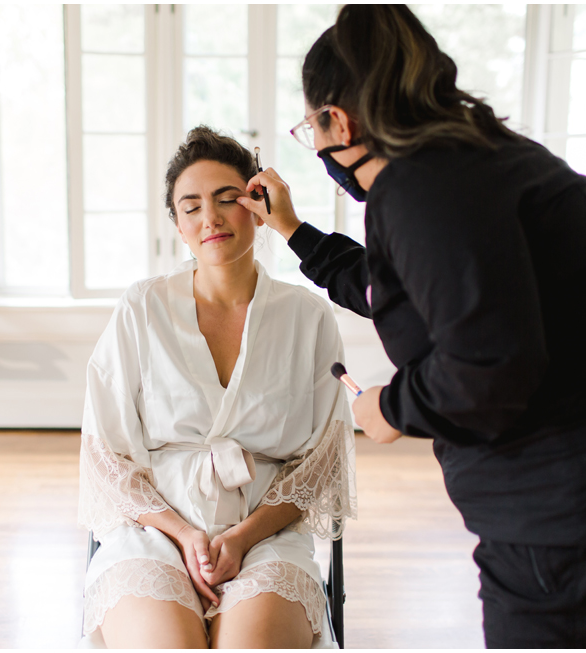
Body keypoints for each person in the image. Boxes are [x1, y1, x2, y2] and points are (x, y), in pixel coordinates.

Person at [235, 5, 586, 649]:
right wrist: (295, 231)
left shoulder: (422, 192)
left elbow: (490, 371)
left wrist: (392, 407)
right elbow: (393, 289)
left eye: (310, 128)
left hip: (583, 520)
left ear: (340, 121)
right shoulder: (482, 159)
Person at [78, 126, 356, 648]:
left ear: (258, 206)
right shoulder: (142, 309)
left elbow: (323, 459)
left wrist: (242, 536)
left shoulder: (308, 316)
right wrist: (184, 534)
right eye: (191, 207)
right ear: (178, 225)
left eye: (228, 199)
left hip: (266, 536)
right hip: (152, 534)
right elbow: (106, 456)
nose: (211, 217)